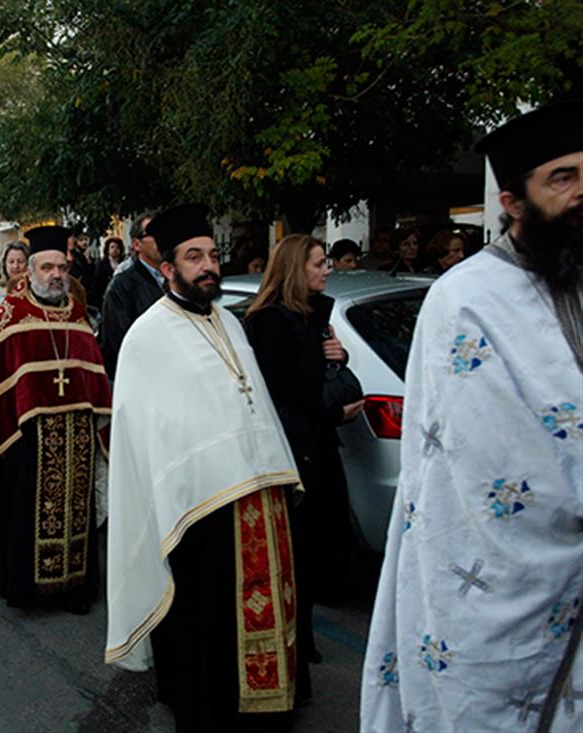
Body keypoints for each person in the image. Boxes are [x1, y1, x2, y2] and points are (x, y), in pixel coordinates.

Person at [361, 100, 583, 733]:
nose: (580, 192)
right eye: (561, 178)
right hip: (500, 588)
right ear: (513, 202)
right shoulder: (465, 299)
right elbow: (496, 470)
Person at [105, 203, 302, 729]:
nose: (208, 265)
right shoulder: (147, 335)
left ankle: (266, 701)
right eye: (194, 257)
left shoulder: (232, 324)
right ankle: (207, 705)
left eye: (212, 255)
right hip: (197, 510)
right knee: (205, 619)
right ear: (167, 268)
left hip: (257, 495)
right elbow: (147, 433)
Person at [0, 225, 112, 614]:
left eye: (62, 268)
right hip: (23, 440)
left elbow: (94, 376)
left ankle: (74, 589)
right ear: (30, 271)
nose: (57, 275)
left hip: (76, 436)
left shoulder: (78, 314)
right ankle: (26, 589)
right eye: (48, 267)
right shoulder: (9, 316)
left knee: (76, 513)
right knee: (24, 514)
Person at [244, 234, 364, 705]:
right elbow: (287, 392)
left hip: (320, 447)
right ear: (297, 267)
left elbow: (321, 371)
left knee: (319, 548)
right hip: (294, 451)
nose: (327, 269)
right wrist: (334, 413)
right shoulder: (268, 322)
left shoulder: (315, 314)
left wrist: (340, 357)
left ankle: (305, 633)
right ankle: (293, 639)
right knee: (296, 552)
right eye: (319, 263)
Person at [100, 212, 163, 379]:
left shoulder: (178, 279)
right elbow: (120, 343)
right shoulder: (122, 286)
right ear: (136, 244)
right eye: (155, 235)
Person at [90, 237, 125, 309]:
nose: (115, 249)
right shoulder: (101, 264)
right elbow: (96, 284)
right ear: (108, 250)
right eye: (112, 247)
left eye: (117, 247)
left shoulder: (124, 264)